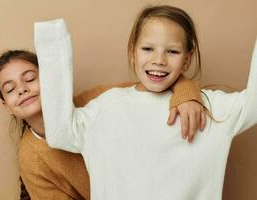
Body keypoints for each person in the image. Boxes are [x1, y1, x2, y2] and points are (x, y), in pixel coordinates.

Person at [35, 5, 257, 200]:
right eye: (148, 49)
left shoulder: (208, 106)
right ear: (132, 51)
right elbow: (61, 132)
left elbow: (253, 105)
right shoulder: (107, 107)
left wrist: (189, 91)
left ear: (187, 59)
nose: (159, 60)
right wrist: (52, 43)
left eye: (172, 51)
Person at [0, 49, 205, 199]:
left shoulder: (98, 101)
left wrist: (187, 94)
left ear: (52, 79)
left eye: (30, 78)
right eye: (10, 89)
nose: (21, 89)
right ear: (7, 106)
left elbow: (158, 82)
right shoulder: (31, 158)